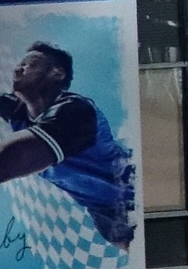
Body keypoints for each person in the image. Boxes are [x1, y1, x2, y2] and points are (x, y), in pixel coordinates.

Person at [0, 40, 135, 253]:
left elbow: (7, 160)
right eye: (20, 63)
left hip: (130, 197)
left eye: (30, 63)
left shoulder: (76, 111)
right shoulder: (20, 111)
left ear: (57, 74)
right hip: (102, 212)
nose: (19, 68)